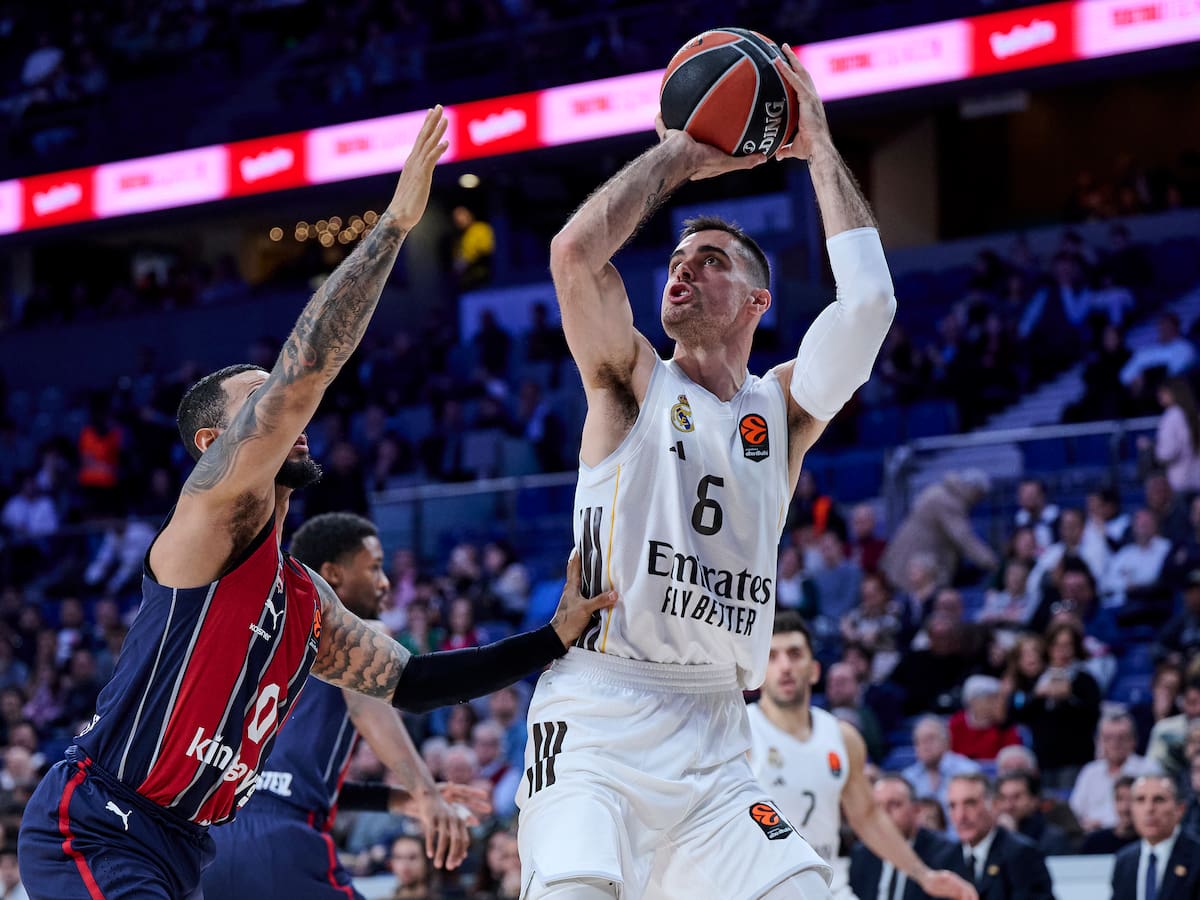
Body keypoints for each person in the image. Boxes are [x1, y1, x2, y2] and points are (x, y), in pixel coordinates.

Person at [17, 109, 616, 900]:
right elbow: (303, 373)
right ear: (211, 445)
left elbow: (412, 681)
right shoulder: (209, 518)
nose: (286, 412)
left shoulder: (308, 602)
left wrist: (550, 637)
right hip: (96, 823)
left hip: (179, 846)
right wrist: (397, 225)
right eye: (257, 401)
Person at [516, 48, 897, 900]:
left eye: (714, 260)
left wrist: (819, 145)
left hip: (718, 735)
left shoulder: (784, 411)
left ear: (760, 302)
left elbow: (869, 308)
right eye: (679, 259)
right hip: (598, 718)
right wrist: (685, 154)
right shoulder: (628, 381)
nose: (684, 267)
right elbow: (575, 254)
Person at [202, 512, 493, 898]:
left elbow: (283, 778)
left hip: (215, 840)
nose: (385, 583)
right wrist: (425, 793)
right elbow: (367, 707)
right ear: (333, 575)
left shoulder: (263, 637)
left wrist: (402, 800)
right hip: (284, 838)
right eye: (373, 569)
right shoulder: (364, 632)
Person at [747, 614, 975, 899]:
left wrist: (923, 875)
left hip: (828, 884)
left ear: (815, 671)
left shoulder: (843, 737)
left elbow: (867, 816)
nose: (785, 667)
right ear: (756, 672)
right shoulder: (740, 734)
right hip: (766, 888)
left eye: (795, 654)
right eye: (772, 657)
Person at [849, 775, 964, 900]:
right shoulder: (862, 853)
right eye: (878, 807)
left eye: (894, 804)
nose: (884, 814)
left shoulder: (944, 853)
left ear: (916, 810)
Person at [945, 774, 1054, 900]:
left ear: (995, 805)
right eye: (953, 806)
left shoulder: (1022, 855)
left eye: (970, 803)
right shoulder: (946, 860)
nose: (960, 816)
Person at [1111, 775, 1200, 900]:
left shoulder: (1196, 857)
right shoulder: (1124, 861)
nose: (1149, 809)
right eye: (1140, 800)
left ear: (1180, 810)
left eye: (1159, 800)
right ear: (1132, 809)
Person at [1069, 711, 1161, 831]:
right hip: (1092, 836)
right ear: (1099, 741)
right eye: (1108, 738)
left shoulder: (1149, 769)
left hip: (1134, 835)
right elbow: (1075, 811)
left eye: (1121, 738)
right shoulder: (1090, 772)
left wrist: (1106, 824)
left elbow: (1154, 810)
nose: (1115, 743)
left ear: (1134, 740)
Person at [902, 717, 981, 822]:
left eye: (930, 739)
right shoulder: (907, 778)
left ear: (947, 741)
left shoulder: (968, 770)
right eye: (919, 741)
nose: (924, 746)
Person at [993, 773, 1073, 856]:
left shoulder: (1053, 839)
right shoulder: (991, 836)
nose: (1008, 805)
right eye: (1003, 798)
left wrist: (1012, 837)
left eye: (1016, 797)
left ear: (1034, 800)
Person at [1079, 774, 1139, 855]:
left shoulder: (1149, 842)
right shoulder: (1095, 841)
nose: (1125, 807)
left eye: (1131, 799)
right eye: (1120, 799)